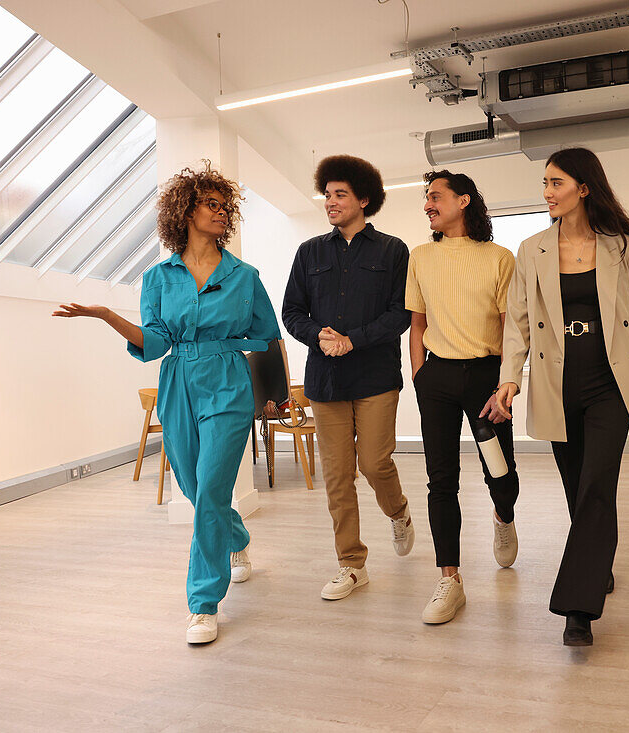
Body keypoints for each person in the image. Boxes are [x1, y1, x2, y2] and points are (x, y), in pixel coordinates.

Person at [53, 162, 281, 645]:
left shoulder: (245, 276)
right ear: (186, 211)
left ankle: (202, 602)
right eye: (210, 205)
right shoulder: (158, 278)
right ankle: (236, 539)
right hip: (177, 378)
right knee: (197, 487)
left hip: (227, 379)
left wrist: (266, 388)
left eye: (226, 207)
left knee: (215, 484)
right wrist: (107, 315)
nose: (221, 213)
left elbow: (265, 335)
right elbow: (154, 342)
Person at [492, 147, 629, 646]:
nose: (547, 193)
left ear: (584, 188)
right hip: (558, 386)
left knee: (597, 482)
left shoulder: (621, 247)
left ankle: (577, 609)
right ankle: (597, 561)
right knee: (578, 487)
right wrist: (509, 379)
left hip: (611, 385)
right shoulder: (532, 249)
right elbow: (518, 322)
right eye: (545, 184)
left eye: (556, 183)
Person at [281, 155, 415, 601]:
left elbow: (401, 313)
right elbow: (291, 312)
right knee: (338, 476)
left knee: (374, 463)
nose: (330, 202)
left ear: (363, 199)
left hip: (375, 376)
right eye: (327, 195)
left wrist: (353, 340)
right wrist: (317, 335)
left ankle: (397, 510)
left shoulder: (393, 251)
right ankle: (351, 564)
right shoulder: (309, 253)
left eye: (340, 195)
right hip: (325, 380)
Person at [407, 169, 520, 625]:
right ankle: (449, 579)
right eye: (426, 198)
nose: (428, 204)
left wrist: (506, 384)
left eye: (436, 197)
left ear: (464, 201)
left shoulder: (499, 258)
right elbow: (416, 325)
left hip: (485, 378)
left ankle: (503, 515)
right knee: (440, 480)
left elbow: (513, 330)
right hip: (436, 377)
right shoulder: (420, 257)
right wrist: (419, 378)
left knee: (502, 474)